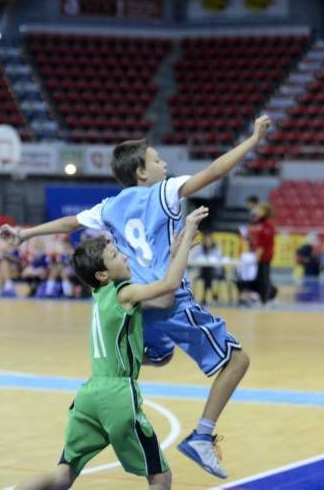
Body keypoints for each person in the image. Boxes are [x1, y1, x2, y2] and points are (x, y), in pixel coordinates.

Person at [1, 115, 271, 478]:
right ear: (143, 173)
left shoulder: (110, 206)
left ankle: (123, 365)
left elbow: (70, 224)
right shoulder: (165, 192)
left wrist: (24, 234)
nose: (165, 165)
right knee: (237, 362)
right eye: (158, 160)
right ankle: (203, 436)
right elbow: (214, 171)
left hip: (139, 305)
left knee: (160, 357)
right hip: (169, 298)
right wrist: (252, 140)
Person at [12, 206, 208, 490]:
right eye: (116, 255)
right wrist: (186, 240)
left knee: (62, 475)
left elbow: (124, 347)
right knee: (160, 477)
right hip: (117, 396)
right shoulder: (124, 292)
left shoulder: (99, 295)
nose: (125, 256)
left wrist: (149, 358)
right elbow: (169, 288)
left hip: (88, 396)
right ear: (103, 274)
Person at [248, 203, 276, 304]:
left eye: (259, 210)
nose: (256, 212)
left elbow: (262, 244)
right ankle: (264, 297)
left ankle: (266, 299)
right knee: (261, 277)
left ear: (265, 212)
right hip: (262, 255)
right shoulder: (260, 224)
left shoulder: (267, 226)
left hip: (265, 256)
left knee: (263, 278)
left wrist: (257, 256)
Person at [190, 232, 226, 306]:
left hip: (215, 271)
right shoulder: (200, 248)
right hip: (203, 271)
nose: (208, 241)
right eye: (206, 240)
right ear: (204, 240)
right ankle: (213, 295)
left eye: (209, 240)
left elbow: (219, 259)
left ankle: (204, 298)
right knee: (207, 274)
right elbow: (192, 256)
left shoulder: (216, 248)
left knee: (208, 274)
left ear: (212, 240)